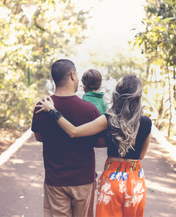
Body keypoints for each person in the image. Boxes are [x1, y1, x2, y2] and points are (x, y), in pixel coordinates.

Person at [36, 74, 152, 217]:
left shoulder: (109, 119)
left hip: (112, 179)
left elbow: (73, 132)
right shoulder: (147, 123)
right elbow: (140, 155)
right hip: (136, 180)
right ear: (139, 95)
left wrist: (53, 111)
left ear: (118, 94)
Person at [31, 59, 105, 217]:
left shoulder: (41, 107)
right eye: (77, 74)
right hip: (83, 180)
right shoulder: (89, 109)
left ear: (54, 79)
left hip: (55, 180)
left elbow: (39, 137)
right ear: (72, 75)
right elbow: (99, 142)